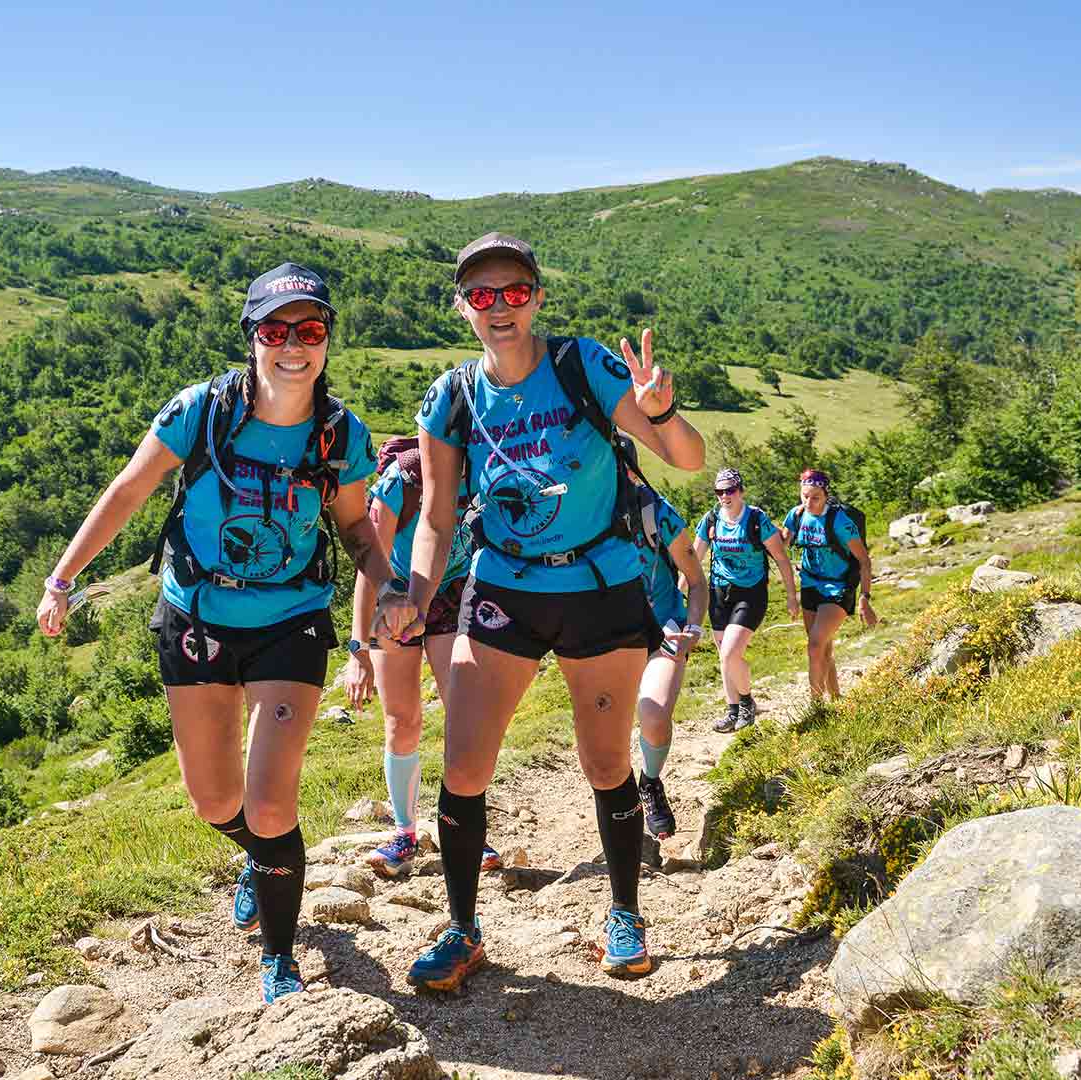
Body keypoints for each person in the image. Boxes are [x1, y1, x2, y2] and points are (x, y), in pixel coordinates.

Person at [35, 263, 410, 1004]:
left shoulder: (340, 435)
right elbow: (128, 491)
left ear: (328, 340)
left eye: (311, 330)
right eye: (277, 330)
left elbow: (358, 535)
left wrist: (389, 582)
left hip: (290, 621)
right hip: (196, 616)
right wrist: (63, 578)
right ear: (253, 337)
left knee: (270, 804)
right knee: (214, 802)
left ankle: (280, 958)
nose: (294, 346)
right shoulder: (201, 411)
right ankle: (263, 861)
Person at [382, 232, 704, 990]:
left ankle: (624, 913)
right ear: (462, 306)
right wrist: (418, 596)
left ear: (537, 297)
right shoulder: (450, 398)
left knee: (603, 761)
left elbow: (684, 458)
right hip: (501, 588)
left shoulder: (582, 364)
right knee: (463, 764)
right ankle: (462, 929)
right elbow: (433, 519)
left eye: (514, 292)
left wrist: (662, 411)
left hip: (599, 585)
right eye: (482, 295)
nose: (500, 307)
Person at [342, 438, 501, 877]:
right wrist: (359, 649)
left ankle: (469, 828)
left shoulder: (486, 465)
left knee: (463, 714)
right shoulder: (402, 480)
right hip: (395, 595)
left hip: (451, 592)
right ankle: (404, 833)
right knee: (402, 719)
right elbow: (367, 562)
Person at [615, 439, 710, 840]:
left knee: (653, 717)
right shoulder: (578, 518)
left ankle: (650, 783)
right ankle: (623, 819)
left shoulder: (656, 512)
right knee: (607, 741)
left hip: (663, 631)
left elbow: (696, 579)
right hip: (606, 639)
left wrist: (693, 628)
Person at [692, 467, 798, 732]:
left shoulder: (756, 519)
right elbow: (692, 561)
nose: (724, 496)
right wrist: (679, 596)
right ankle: (732, 710)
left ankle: (747, 702)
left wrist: (791, 597)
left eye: (730, 490)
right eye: (719, 491)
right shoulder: (711, 519)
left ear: (740, 491)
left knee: (730, 652)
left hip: (751, 592)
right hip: (718, 592)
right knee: (724, 656)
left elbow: (782, 560)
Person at [780, 468, 878, 701]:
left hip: (838, 587)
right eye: (805, 496)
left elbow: (864, 560)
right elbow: (781, 545)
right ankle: (836, 697)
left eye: (815, 497)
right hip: (810, 584)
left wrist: (865, 598)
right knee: (822, 647)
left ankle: (815, 707)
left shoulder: (840, 521)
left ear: (826, 495)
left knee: (815, 645)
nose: (809, 502)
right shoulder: (796, 515)